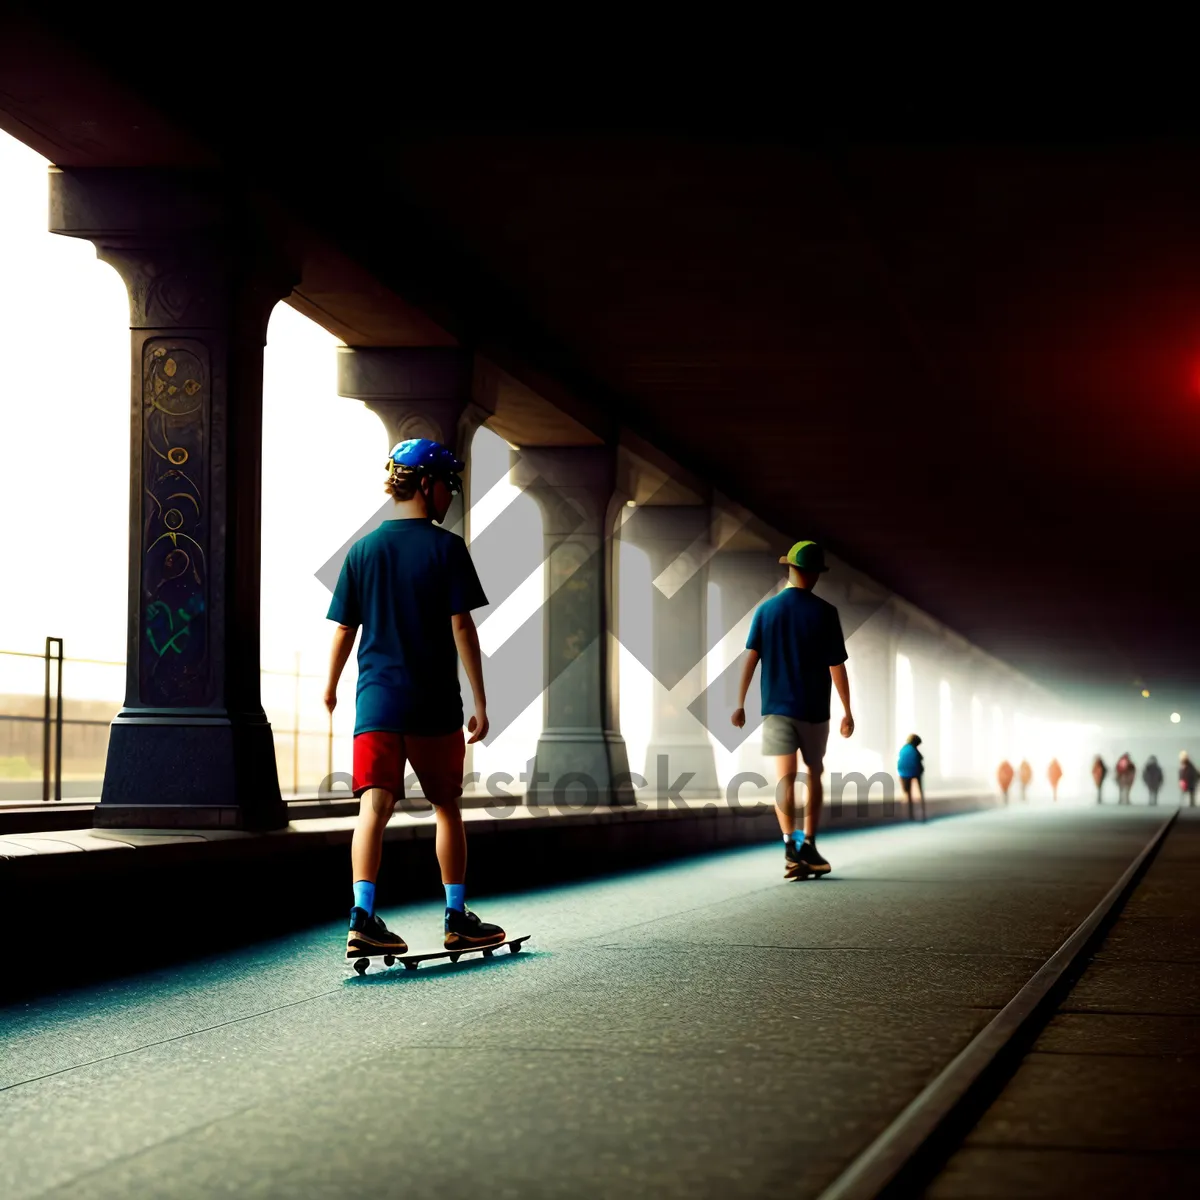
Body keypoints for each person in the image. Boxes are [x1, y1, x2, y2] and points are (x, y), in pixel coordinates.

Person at [325, 437, 505, 964]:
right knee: (446, 807)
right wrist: (481, 699)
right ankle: (456, 919)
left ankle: (361, 918)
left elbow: (344, 629)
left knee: (372, 809)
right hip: (432, 705)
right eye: (449, 486)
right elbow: (462, 626)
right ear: (427, 484)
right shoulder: (446, 548)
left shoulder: (362, 551)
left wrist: (331, 685)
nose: (450, 497)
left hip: (376, 705)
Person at [733, 539, 854, 879]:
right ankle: (810, 845)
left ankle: (790, 846)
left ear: (790, 568)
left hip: (776, 709)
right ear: (814, 573)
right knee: (814, 773)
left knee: (784, 779)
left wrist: (739, 704)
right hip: (815, 709)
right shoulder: (826, 613)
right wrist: (847, 710)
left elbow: (750, 659)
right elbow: (837, 667)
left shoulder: (766, 611)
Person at [897, 734, 926, 821]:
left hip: (903, 773)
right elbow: (920, 758)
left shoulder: (903, 749)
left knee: (908, 793)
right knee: (920, 792)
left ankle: (910, 815)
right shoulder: (914, 749)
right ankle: (923, 812)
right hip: (915, 771)